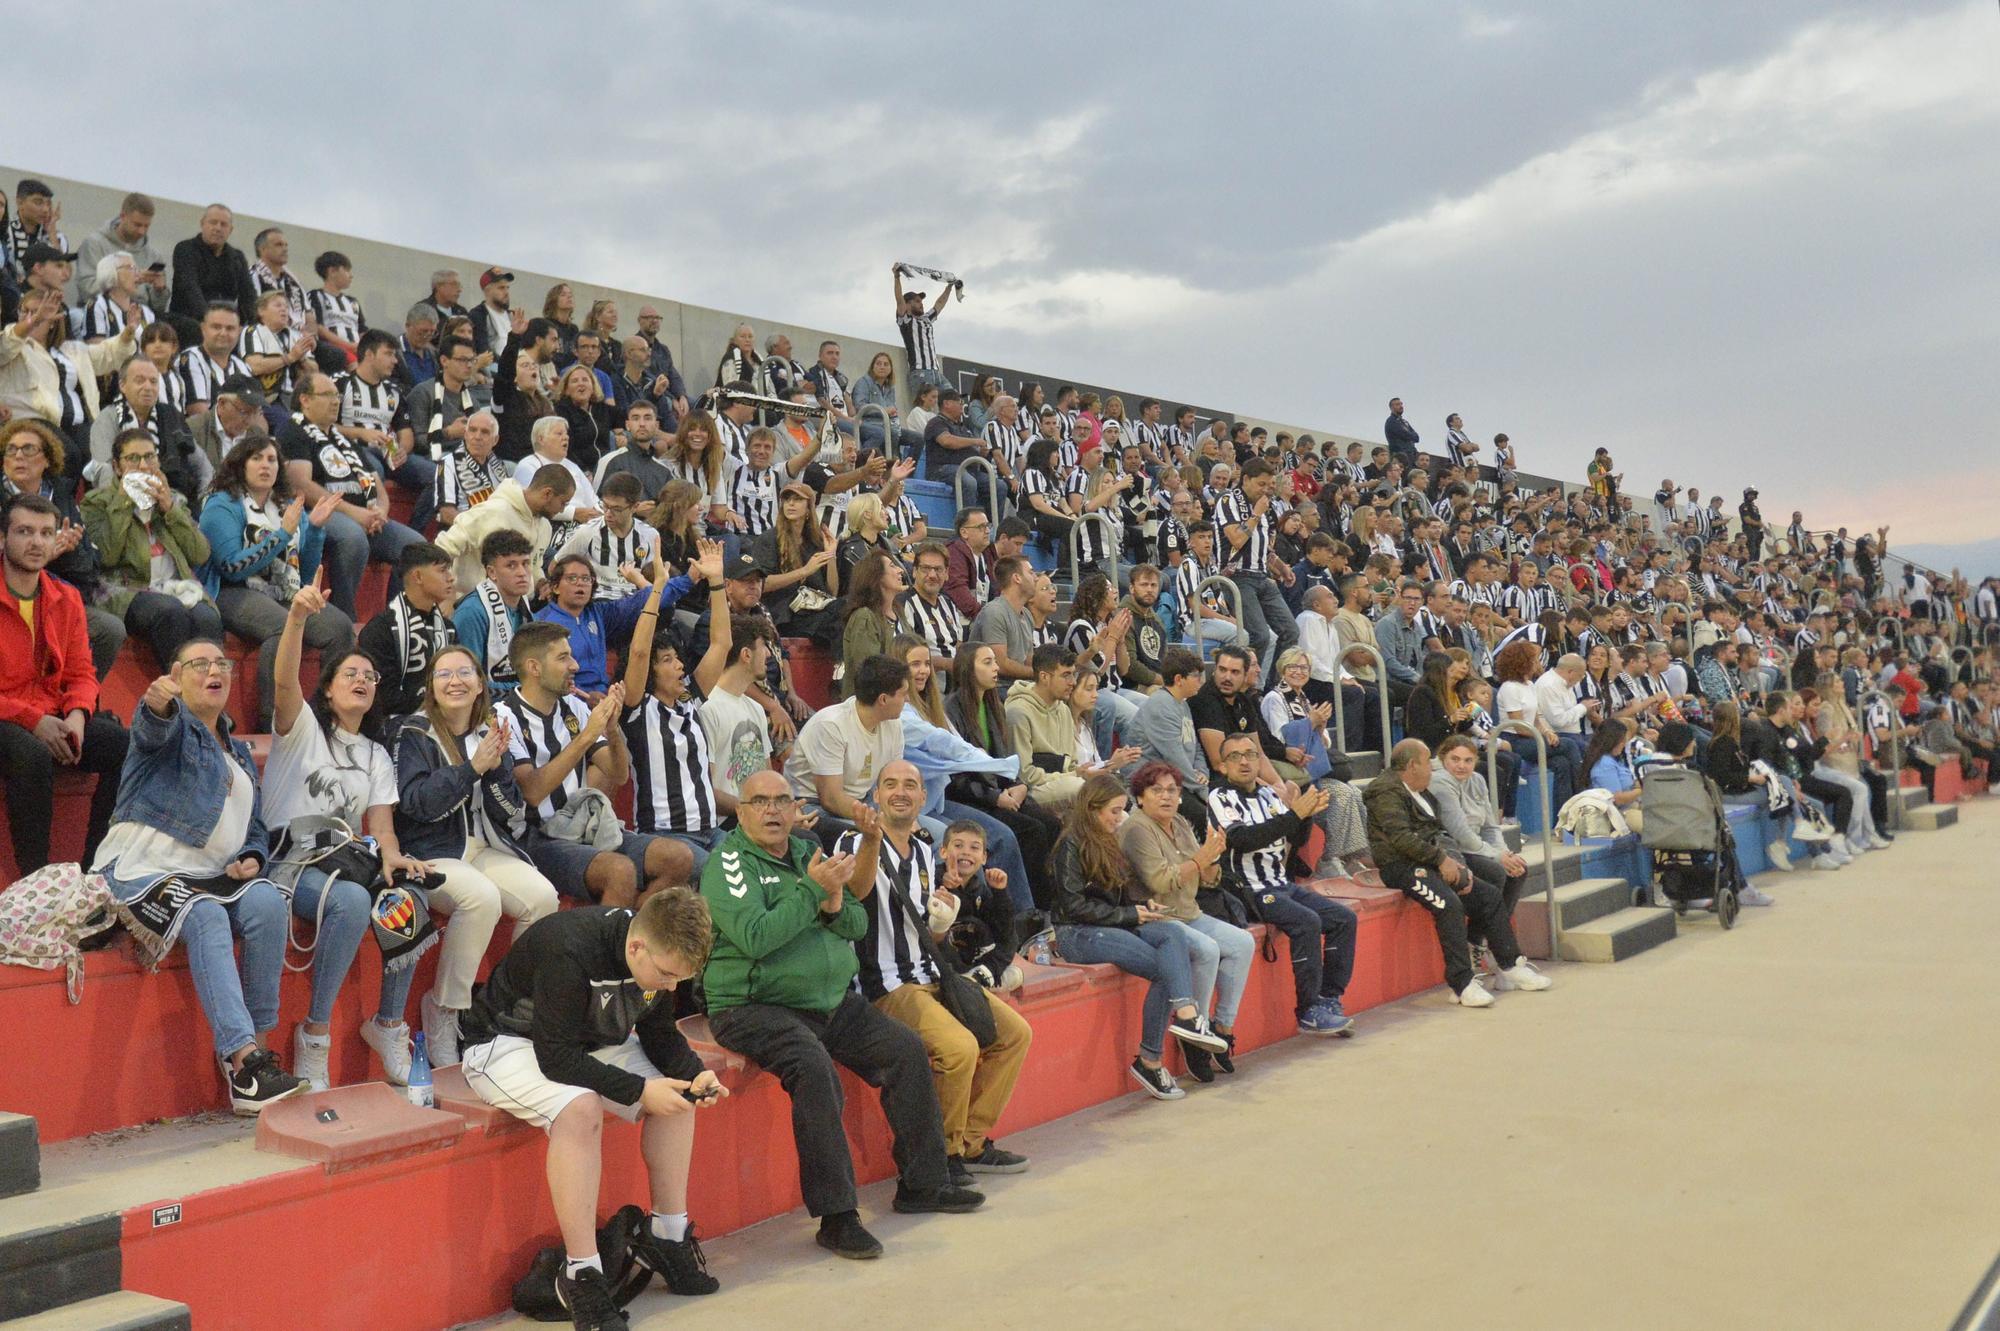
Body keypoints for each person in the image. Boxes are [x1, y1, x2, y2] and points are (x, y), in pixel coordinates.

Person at [701, 768, 984, 1260]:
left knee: (905, 1049)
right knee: (814, 1071)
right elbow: (756, 937)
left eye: (782, 801)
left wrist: (832, 900)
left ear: (795, 809)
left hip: (827, 1000)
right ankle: (837, 1217)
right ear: (741, 812)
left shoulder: (806, 851)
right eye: (760, 802)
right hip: (752, 1006)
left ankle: (923, 1184)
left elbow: (854, 922)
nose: (772, 810)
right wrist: (813, 892)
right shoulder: (728, 862)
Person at [461, 891, 725, 1331]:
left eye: (681, 978)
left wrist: (696, 1075)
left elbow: (660, 1036)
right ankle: (582, 1274)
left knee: (679, 1095)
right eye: (666, 974)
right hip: (505, 1044)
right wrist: (640, 1091)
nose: (672, 987)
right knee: (580, 1109)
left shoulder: (654, 960)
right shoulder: (572, 948)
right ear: (637, 946)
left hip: (587, 1042)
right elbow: (556, 1058)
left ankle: (668, 1234)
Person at [92, 639, 305, 1113]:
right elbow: (151, 728)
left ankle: (259, 1048)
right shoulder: (172, 727)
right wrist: (156, 704)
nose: (215, 670)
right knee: (206, 915)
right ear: (176, 674)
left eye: (222, 663)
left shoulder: (241, 751)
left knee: (269, 901)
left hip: (209, 874)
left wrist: (252, 856)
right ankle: (242, 1062)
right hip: (142, 868)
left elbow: (254, 828)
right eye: (200, 664)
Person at [258, 578, 429, 1090]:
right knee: (353, 901)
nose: (362, 679)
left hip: (345, 859)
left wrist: (396, 859)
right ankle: (314, 1035)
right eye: (350, 673)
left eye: (370, 675)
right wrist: (296, 618)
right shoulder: (302, 727)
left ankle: (389, 1024)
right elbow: (284, 679)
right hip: (292, 862)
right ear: (328, 689)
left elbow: (381, 828)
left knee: (409, 896)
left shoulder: (376, 755)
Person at [841, 761, 1033, 1179]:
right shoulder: (855, 840)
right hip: (888, 984)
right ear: (876, 796)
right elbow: (854, 894)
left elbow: (928, 931)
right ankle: (941, 1157)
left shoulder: (928, 852)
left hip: (935, 975)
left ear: (923, 798)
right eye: (890, 784)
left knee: (1016, 1034)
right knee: (960, 1048)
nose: (901, 792)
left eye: (911, 785)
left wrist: (942, 924)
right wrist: (872, 839)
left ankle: (970, 1142)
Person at [386, 645, 560, 1066]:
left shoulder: (490, 731)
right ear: (431, 685)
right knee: (480, 897)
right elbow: (416, 804)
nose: (455, 681)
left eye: (464, 672)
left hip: (484, 847)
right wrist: (472, 770)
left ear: (481, 683)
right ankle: (444, 1010)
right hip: (431, 852)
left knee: (542, 898)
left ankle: (502, 1006)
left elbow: (511, 810)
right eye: (444, 674)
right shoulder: (414, 733)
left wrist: (497, 769)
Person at [1048, 774, 1229, 1101]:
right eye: (1114, 811)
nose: (1119, 819)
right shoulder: (1071, 844)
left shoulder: (1107, 841)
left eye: (1121, 812)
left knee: (1172, 932)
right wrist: (1130, 915)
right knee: (1163, 968)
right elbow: (1074, 906)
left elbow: (1112, 899)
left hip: (1110, 922)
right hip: (1076, 933)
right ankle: (1151, 1058)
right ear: (1092, 808)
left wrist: (1140, 906)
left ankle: (1185, 1017)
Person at [497, 622, 695, 905]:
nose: (575, 665)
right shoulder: (503, 717)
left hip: (582, 824)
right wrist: (587, 735)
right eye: (563, 658)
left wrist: (612, 731)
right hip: (535, 837)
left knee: (678, 858)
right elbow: (533, 792)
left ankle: (631, 931)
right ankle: (608, 944)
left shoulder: (573, 707)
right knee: (620, 871)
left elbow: (618, 773)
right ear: (534, 667)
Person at [1363, 739, 1553, 1009]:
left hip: (1431, 860)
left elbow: (1439, 833)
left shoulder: (1423, 792)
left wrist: (1456, 864)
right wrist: (1442, 860)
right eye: (1429, 761)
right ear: (1412, 765)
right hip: (1401, 866)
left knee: (1487, 895)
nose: (1433, 767)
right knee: (1449, 905)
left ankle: (1510, 965)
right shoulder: (1384, 792)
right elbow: (1401, 839)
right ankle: (1461, 983)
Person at [0, 494, 128, 874]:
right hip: (8, 717)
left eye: (45, 533)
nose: (36, 542)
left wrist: (77, 715)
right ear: (3, 538)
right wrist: (33, 721)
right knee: (32, 754)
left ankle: (94, 871)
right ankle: (35, 882)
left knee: (126, 746)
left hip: (51, 714)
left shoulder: (65, 597)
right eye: (24, 532)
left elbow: (82, 673)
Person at [1206, 732, 1363, 1035]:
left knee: (1344, 918)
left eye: (1250, 754)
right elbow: (1242, 839)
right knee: (1307, 922)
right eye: (1235, 756)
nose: (1244, 761)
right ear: (1222, 766)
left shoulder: (1267, 795)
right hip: (1249, 890)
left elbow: (1294, 836)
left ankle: (1328, 1000)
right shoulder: (1220, 796)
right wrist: (1295, 814)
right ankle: (1307, 1011)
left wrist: (1304, 816)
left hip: (1281, 884)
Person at [199, 435, 354, 729]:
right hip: (232, 591)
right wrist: (281, 535)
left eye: (271, 459)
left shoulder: (285, 505)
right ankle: (272, 721)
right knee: (283, 625)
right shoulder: (221, 505)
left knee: (340, 627)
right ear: (240, 464)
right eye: (256, 458)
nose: (265, 465)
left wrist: (316, 529)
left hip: (283, 591)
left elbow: (305, 573)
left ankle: (330, 716)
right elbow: (232, 566)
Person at [1119, 761, 1255, 1082]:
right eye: (1156, 790)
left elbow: (1207, 879)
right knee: (1206, 949)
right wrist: (1200, 860)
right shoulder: (1137, 828)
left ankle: (1222, 1028)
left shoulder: (1179, 822)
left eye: (1172, 790)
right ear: (1139, 797)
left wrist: (1212, 860)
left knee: (1242, 942)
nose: (1166, 796)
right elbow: (1159, 881)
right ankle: (1195, 1034)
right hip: (1156, 917)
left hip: (1189, 912)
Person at [619, 544, 731, 875]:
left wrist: (718, 583)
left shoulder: (690, 701)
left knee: (764, 870)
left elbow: (721, 644)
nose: (680, 665)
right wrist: (656, 589)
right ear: (651, 672)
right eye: (667, 660)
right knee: (725, 881)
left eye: (678, 658)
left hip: (712, 833)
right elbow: (639, 652)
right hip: (666, 836)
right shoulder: (639, 708)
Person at [80, 426, 224, 674]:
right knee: (170, 612)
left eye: (149, 456)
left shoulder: (172, 498)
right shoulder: (97, 501)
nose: (144, 465)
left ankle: (206, 694)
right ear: (117, 466)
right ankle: (179, 694)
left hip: (174, 585)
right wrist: (124, 502)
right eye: (133, 459)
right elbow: (107, 556)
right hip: (124, 588)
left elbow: (200, 554)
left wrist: (170, 509)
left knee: (207, 618)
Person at [281, 370, 424, 619]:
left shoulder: (342, 439)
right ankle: (343, 617)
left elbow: (377, 484)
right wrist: (355, 513)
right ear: (304, 399)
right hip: (317, 513)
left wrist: (380, 511)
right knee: (353, 537)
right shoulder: (293, 430)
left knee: (416, 547)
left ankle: (397, 617)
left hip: (362, 514)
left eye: (337, 396)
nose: (336, 401)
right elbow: (301, 485)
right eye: (327, 395)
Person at [942, 643, 1063, 910]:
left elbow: (1006, 759)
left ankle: (1053, 903)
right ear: (967, 668)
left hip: (1001, 791)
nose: (996, 668)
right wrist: (996, 798)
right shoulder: (950, 710)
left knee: (1051, 824)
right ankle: (1030, 911)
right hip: (973, 797)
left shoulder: (993, 703)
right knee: (1031, 830)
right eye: (987, 662)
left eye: (995, 662)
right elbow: (956, 777)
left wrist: (1018, 785)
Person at [1, 417, 125, 675]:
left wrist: (63, 554)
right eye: (11, 450)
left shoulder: (63, 499)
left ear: (47, 459)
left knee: (109, 629)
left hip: (56, 601)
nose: (18, 456)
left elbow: (91, 564)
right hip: (7, 601)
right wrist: (43, 553)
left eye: (29, 449)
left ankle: (74, 700)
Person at [785, 653, 909, 845]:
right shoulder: (831, 725)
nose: (907, 700)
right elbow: (831, 799)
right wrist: (878, 820)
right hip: (812, 806)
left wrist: (903, 817)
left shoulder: (893, 723)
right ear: (883, 700)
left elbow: (893, 781)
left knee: (935, 835)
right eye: (903, 694)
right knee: (874, 841)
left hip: (865, 802)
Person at [536, 552, 681, 697]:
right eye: (572, 578)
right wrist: (583, 698)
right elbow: (544, 680)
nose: (580, 583)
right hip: (568, 702)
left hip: (606, 696)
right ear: (555, 587)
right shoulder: (543, 623)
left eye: (586, 579)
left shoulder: (598, 612)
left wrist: (691, 578)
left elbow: (650, 606)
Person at [1428, 736, 1531, 930]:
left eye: (1468, 760)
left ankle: (1486, 937)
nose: (1462, 766)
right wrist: (1496, 856)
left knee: (1518, 870)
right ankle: (1481, 938)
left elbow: (1490, 826)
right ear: (1443, 759)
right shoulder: (1439, 782)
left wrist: (1504, 852)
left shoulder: (1477, 780)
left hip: (1476, 847)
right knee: (1496, 872)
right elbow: (1460, 833)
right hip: (1453, 849)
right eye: (1455, 759)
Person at [434, 465, 573, 597]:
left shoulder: (545, 527)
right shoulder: (493, 511)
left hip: (517, 607)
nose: (562, 510)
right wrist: (448, 593)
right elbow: (442, 548)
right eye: (563, 503)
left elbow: (535, 566)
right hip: (472, 606)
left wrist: (540, 583)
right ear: (547, 493)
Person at [357, 542, 459, 720]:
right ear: (418, 576)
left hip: (445, 720)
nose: (451, 578)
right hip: (396, 727)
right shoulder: (381, 630)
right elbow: (383, 697)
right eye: (443, 570)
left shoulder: (448, 629)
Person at [1493, 640, 1581, 813]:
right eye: (1535, 660)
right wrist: (1543, 736)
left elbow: (1536, 719)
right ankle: (1581, 799)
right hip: (1516, 740)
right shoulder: (1509, 688)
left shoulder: (1530, 685)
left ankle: (1562, 817)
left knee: (1561, 763)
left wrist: (1547, 731)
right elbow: (1519, 726)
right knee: (1570, 745)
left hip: (1531, 735)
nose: (1538, 664)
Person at [453, 529, 536, 694]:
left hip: (518, 697)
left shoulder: (524, 603)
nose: (522, 573)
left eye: (525, 563)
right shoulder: (472, 612)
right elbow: (466, 680)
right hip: (482, 706)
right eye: (511, 565)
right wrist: (526, 690)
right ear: (491, 572)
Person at [838, 551, 904, 699]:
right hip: (873, 706)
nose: (900, 570)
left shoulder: (900, 614)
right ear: (876, 576)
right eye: (893, 566)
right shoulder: (865, 617)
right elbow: (869, 671)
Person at [968, 554, 1038, 682]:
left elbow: (1028, 660)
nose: (1036, 578)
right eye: (1031, 572)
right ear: (1017, 578)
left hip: (1018, 686)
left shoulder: (1027, 614)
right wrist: (1039, 674)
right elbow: (1000, 664)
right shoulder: (995, 612)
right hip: (996, 688)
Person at [1581, 719, 1645, 832]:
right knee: (1654, 827)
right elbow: (1617, 799)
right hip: (1618, 814)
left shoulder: (1616, 760)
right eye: (1622, 741)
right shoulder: (1604, 764)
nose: (1624, 744)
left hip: (1633, 806)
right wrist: (1640, 790)